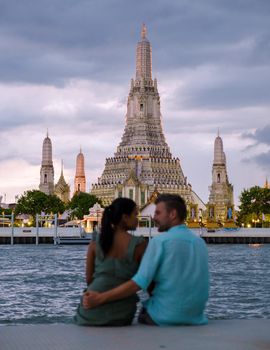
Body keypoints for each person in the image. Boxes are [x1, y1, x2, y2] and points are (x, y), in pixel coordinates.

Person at [83, 194, 209, 326]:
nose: (154, 217)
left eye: (158, 213)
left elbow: (139, 282)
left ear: (173, 214)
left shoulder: (160, 242)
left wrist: (100, 298)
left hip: (164, 317)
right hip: (196, 317)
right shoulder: (199, 242)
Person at [74, 197, 147, 326]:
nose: (137, 219)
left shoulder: (95, 244)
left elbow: (89, 280)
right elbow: (143, 281)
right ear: (125, 217)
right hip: (122, 312)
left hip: (89, 310)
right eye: (135, 214)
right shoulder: (139, 245)